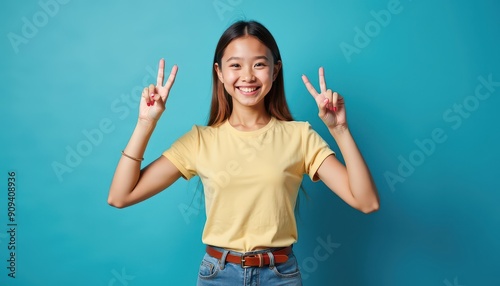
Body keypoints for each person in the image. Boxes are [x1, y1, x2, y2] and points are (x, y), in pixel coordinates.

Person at [108, 20, 379, 285]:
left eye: (259, 64)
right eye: (235, 65)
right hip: (218, 276)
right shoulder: (200, 140)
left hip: (280, 276)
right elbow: (121, 195)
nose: (248, 76)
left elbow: (366, 202)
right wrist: (146, 123)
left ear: (275, 70)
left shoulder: (300, 136)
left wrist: (340, 129)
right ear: (220, 72)